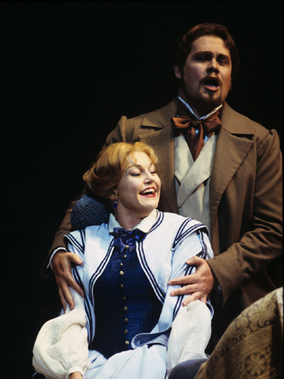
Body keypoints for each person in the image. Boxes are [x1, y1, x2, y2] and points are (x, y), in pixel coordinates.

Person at [0, 142, 213, 379]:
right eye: (136, 172)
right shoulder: (83, 243)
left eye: (153, 172)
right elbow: (73, 315)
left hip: (157, 361)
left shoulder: (181, 233)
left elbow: (191, 310)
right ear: (113, 188)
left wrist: (179, 371)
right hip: (93, 365)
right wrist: (74, 368)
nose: (150, 179)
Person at [44, 23, 282, 348]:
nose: (213, 66)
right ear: (179, 70)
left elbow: (273, 228)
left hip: (234, 306)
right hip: (152, 307)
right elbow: (89, 200)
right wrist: (61, 247)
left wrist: (218, 271)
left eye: (222, 61)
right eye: (202, 58)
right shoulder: (132, 131)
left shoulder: (260, 141)